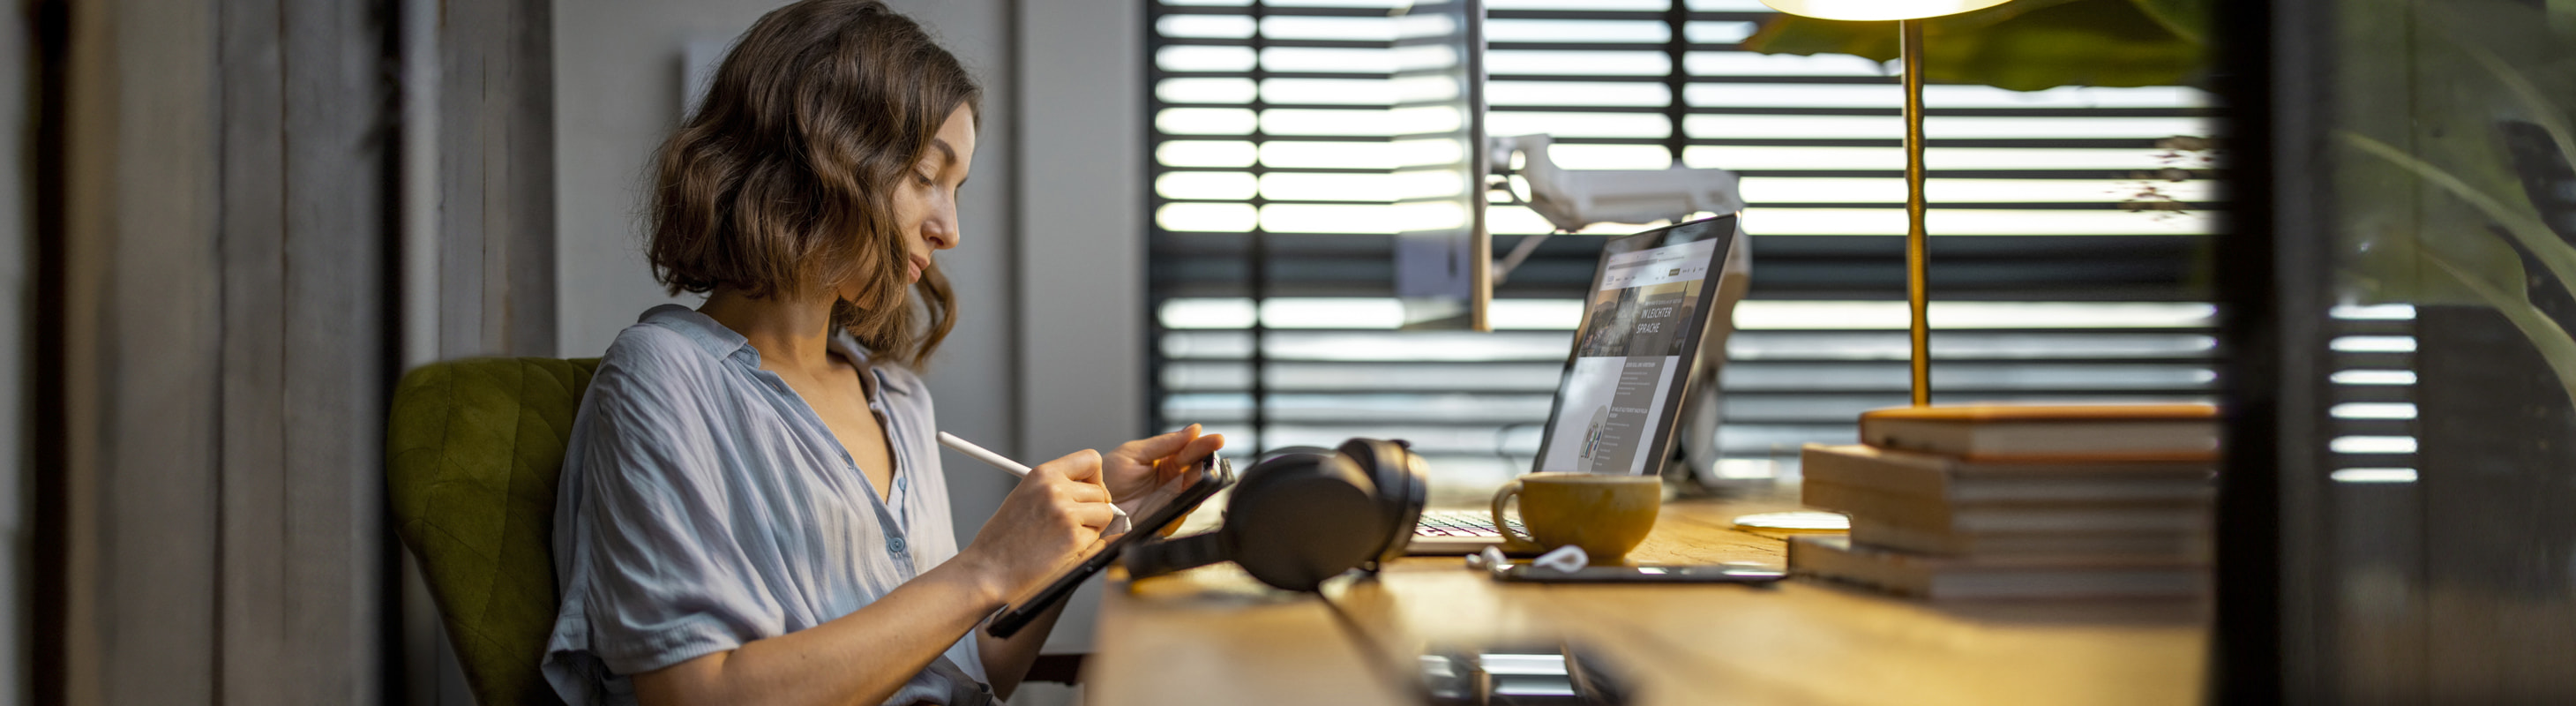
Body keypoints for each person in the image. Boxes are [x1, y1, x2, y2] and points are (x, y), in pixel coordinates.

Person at [540, 2, 1223, 704]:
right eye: (927, 176)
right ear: (820, 156)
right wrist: (985, 567)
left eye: (957, 191)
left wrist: (1089, 534)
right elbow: (697, 693)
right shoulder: (662, 378)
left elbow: (971, 673)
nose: (949, 229)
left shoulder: (896, 400)